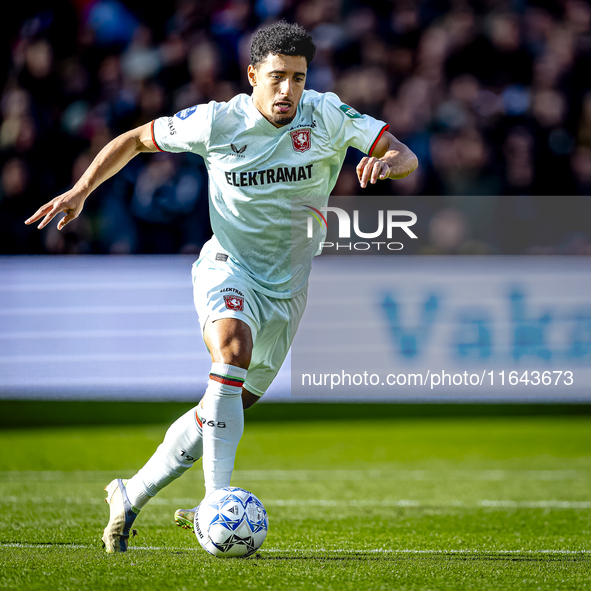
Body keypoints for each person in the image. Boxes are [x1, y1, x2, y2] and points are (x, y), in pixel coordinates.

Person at [25, 21, 418, 553]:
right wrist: (81, 189)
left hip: (289, 290)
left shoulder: (326, 114)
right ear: (252, 74)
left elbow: (404, 153)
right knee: (231, 350)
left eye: (298, 79)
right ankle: (217, 501)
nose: (288, 91)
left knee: (225, 403)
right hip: (228, 267)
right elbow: (136, 139)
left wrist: (386, 163)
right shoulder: (216, 122)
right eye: (277, 77)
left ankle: (130, 492)